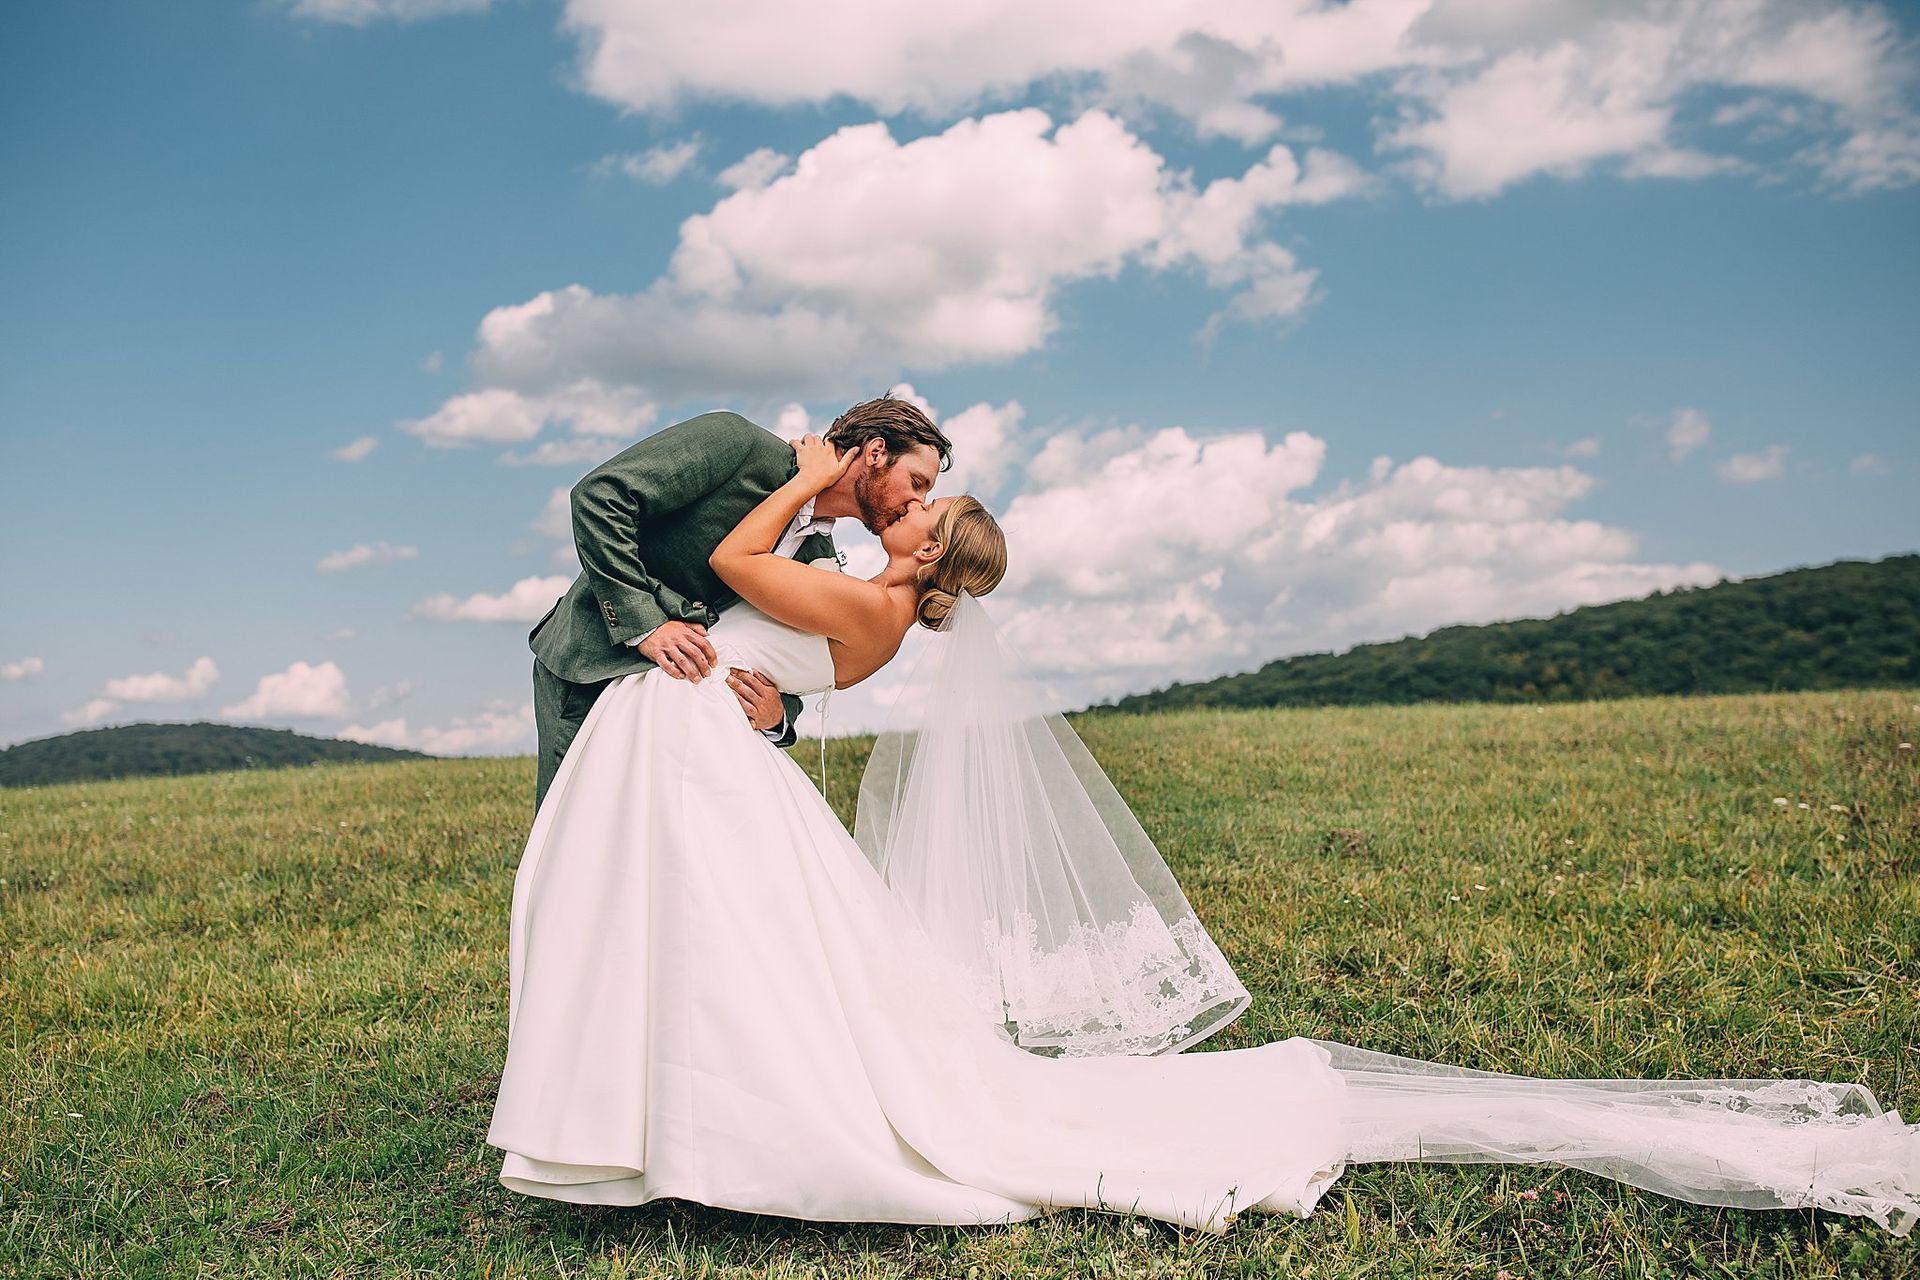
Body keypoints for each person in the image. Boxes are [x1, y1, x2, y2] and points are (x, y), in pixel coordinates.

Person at [486, 435, 1919, 1237]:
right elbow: (759, 631)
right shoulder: (873, 619)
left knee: (717, 955)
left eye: (921, 507)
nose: (905, 508)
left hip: (695, 748)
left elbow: (738, 568)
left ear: (924, 554)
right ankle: (636, 1128)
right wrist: (768, 684)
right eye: (907, 488)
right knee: (700, 947)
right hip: (686, 743)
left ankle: (695, 1135)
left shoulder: (856, 599)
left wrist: (807, 468)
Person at [525, 396, 950, 812]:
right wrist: (648, 625)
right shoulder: (738, 445)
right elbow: (601, 497)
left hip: (679, 721)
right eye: (917, 482)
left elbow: (785, 653)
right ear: (876, 452)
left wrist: (778, 716)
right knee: (574, 842)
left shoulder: (819, 554)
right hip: (594, 668)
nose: (916, 503)